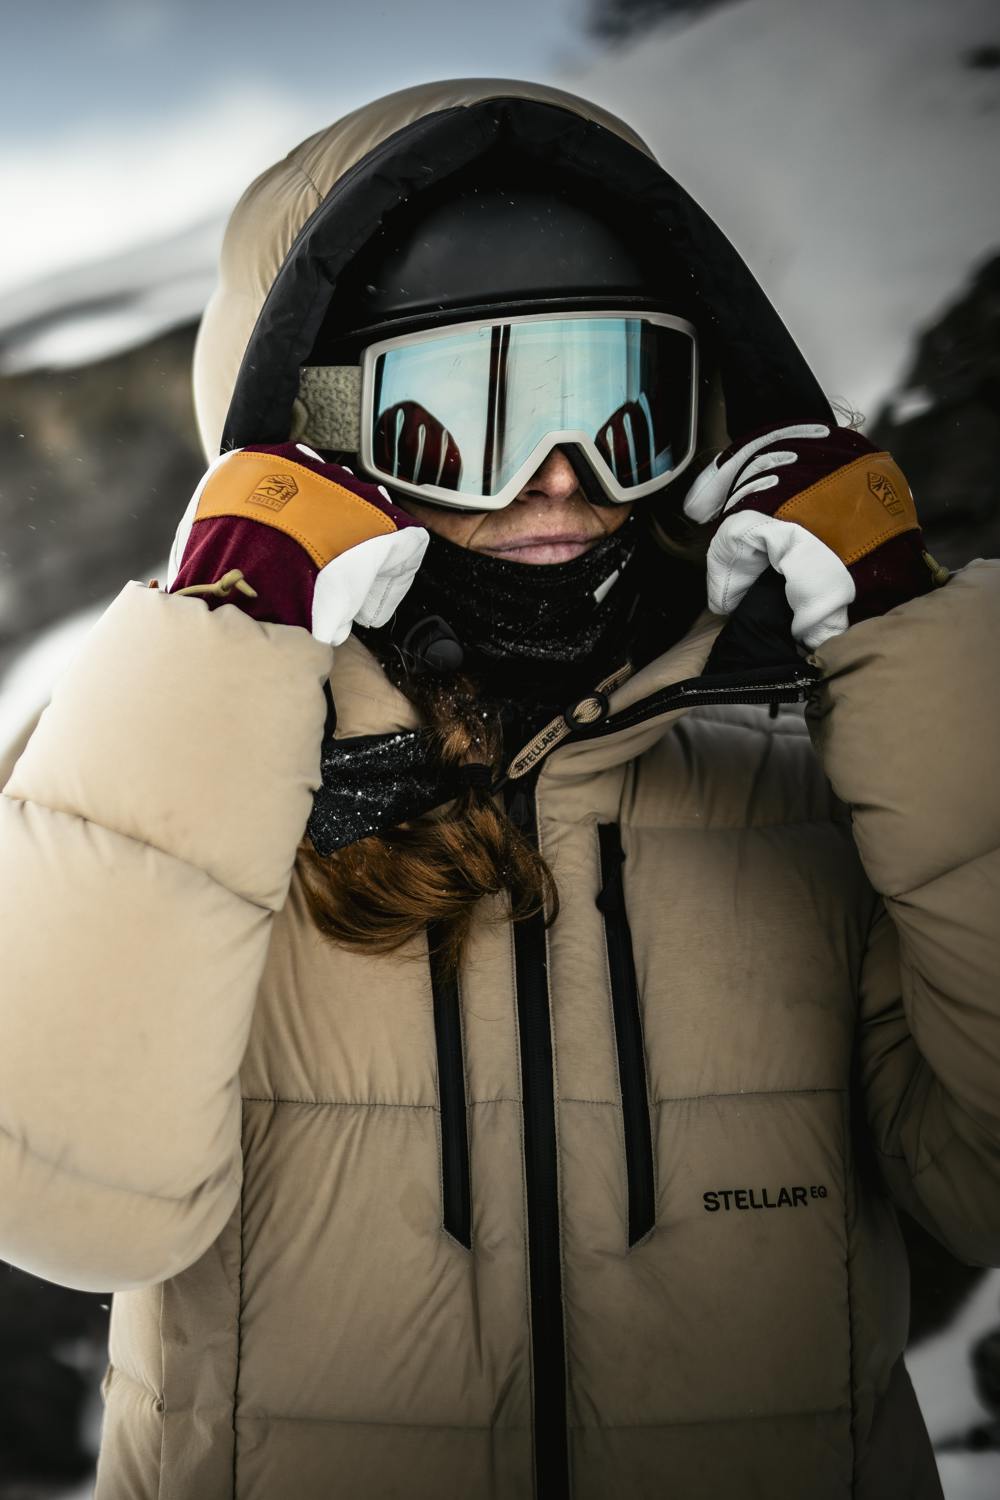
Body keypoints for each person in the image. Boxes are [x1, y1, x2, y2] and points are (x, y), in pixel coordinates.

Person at [0, 77, 997, 1500]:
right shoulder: (163, 769)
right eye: (457, 418)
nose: (558, 480)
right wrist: (226, 649)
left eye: (623, 407)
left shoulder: (812, 760)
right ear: (315, 433)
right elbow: (67, 1203)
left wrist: (924, 662)